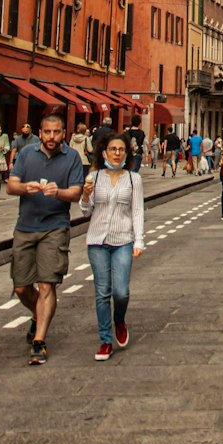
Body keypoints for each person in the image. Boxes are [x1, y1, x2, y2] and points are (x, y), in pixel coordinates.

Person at [7, 115, 86, 365]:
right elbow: (11, 185)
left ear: (64, 133)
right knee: (20, 286)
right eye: (48, 132)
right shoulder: (27, 154)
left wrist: (58, 192)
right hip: (25, 226)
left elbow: (76, 193)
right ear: (40, 132)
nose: (52, 137)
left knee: (46, 284)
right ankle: (36, 315)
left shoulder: (72, 157)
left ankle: (39, 341)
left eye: (57, 132)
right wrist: (24, 188)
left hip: (55, 226)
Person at [80, 135, 143, 362]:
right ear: (104, 153)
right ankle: (105, 340)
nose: (117, 153)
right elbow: (85, 212)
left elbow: (137, 211)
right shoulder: (93, 177)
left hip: (123, 240)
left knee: (121, 292)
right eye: (112, 149)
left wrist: (139, 240)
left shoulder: (134, 179)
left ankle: (119, 319)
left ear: (126, 154)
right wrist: (85, 196)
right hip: (96, 241)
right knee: (102, 293)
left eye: (121, 149)